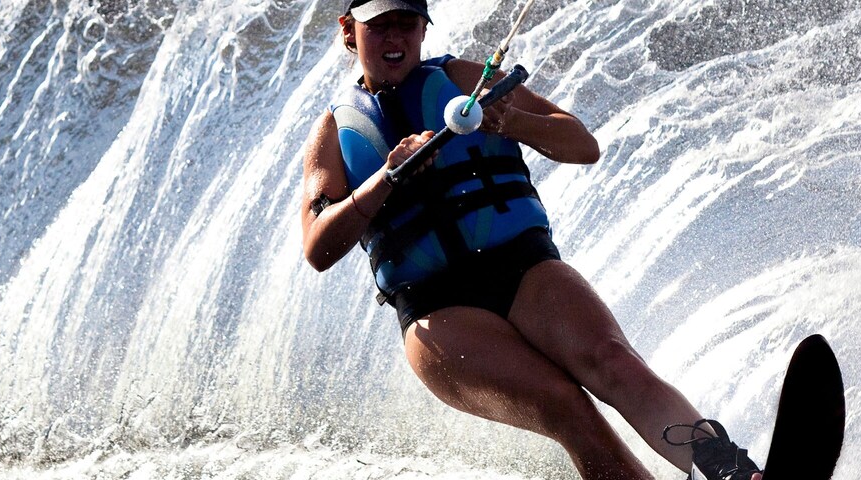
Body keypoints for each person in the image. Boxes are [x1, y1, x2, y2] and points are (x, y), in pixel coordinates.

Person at [296, 1, 763, 479]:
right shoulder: (335, 130)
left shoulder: (462, 79)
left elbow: (583, 145)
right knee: (565, 405)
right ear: (349, 32)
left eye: (407, 24)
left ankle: (731, 470)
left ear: (422, 30)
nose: (395, 38)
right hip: (434, 309)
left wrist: (511, 121)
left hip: (524, 269)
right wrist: (387, 179)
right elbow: (317, 248)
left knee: (611, 361)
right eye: (379, 27)